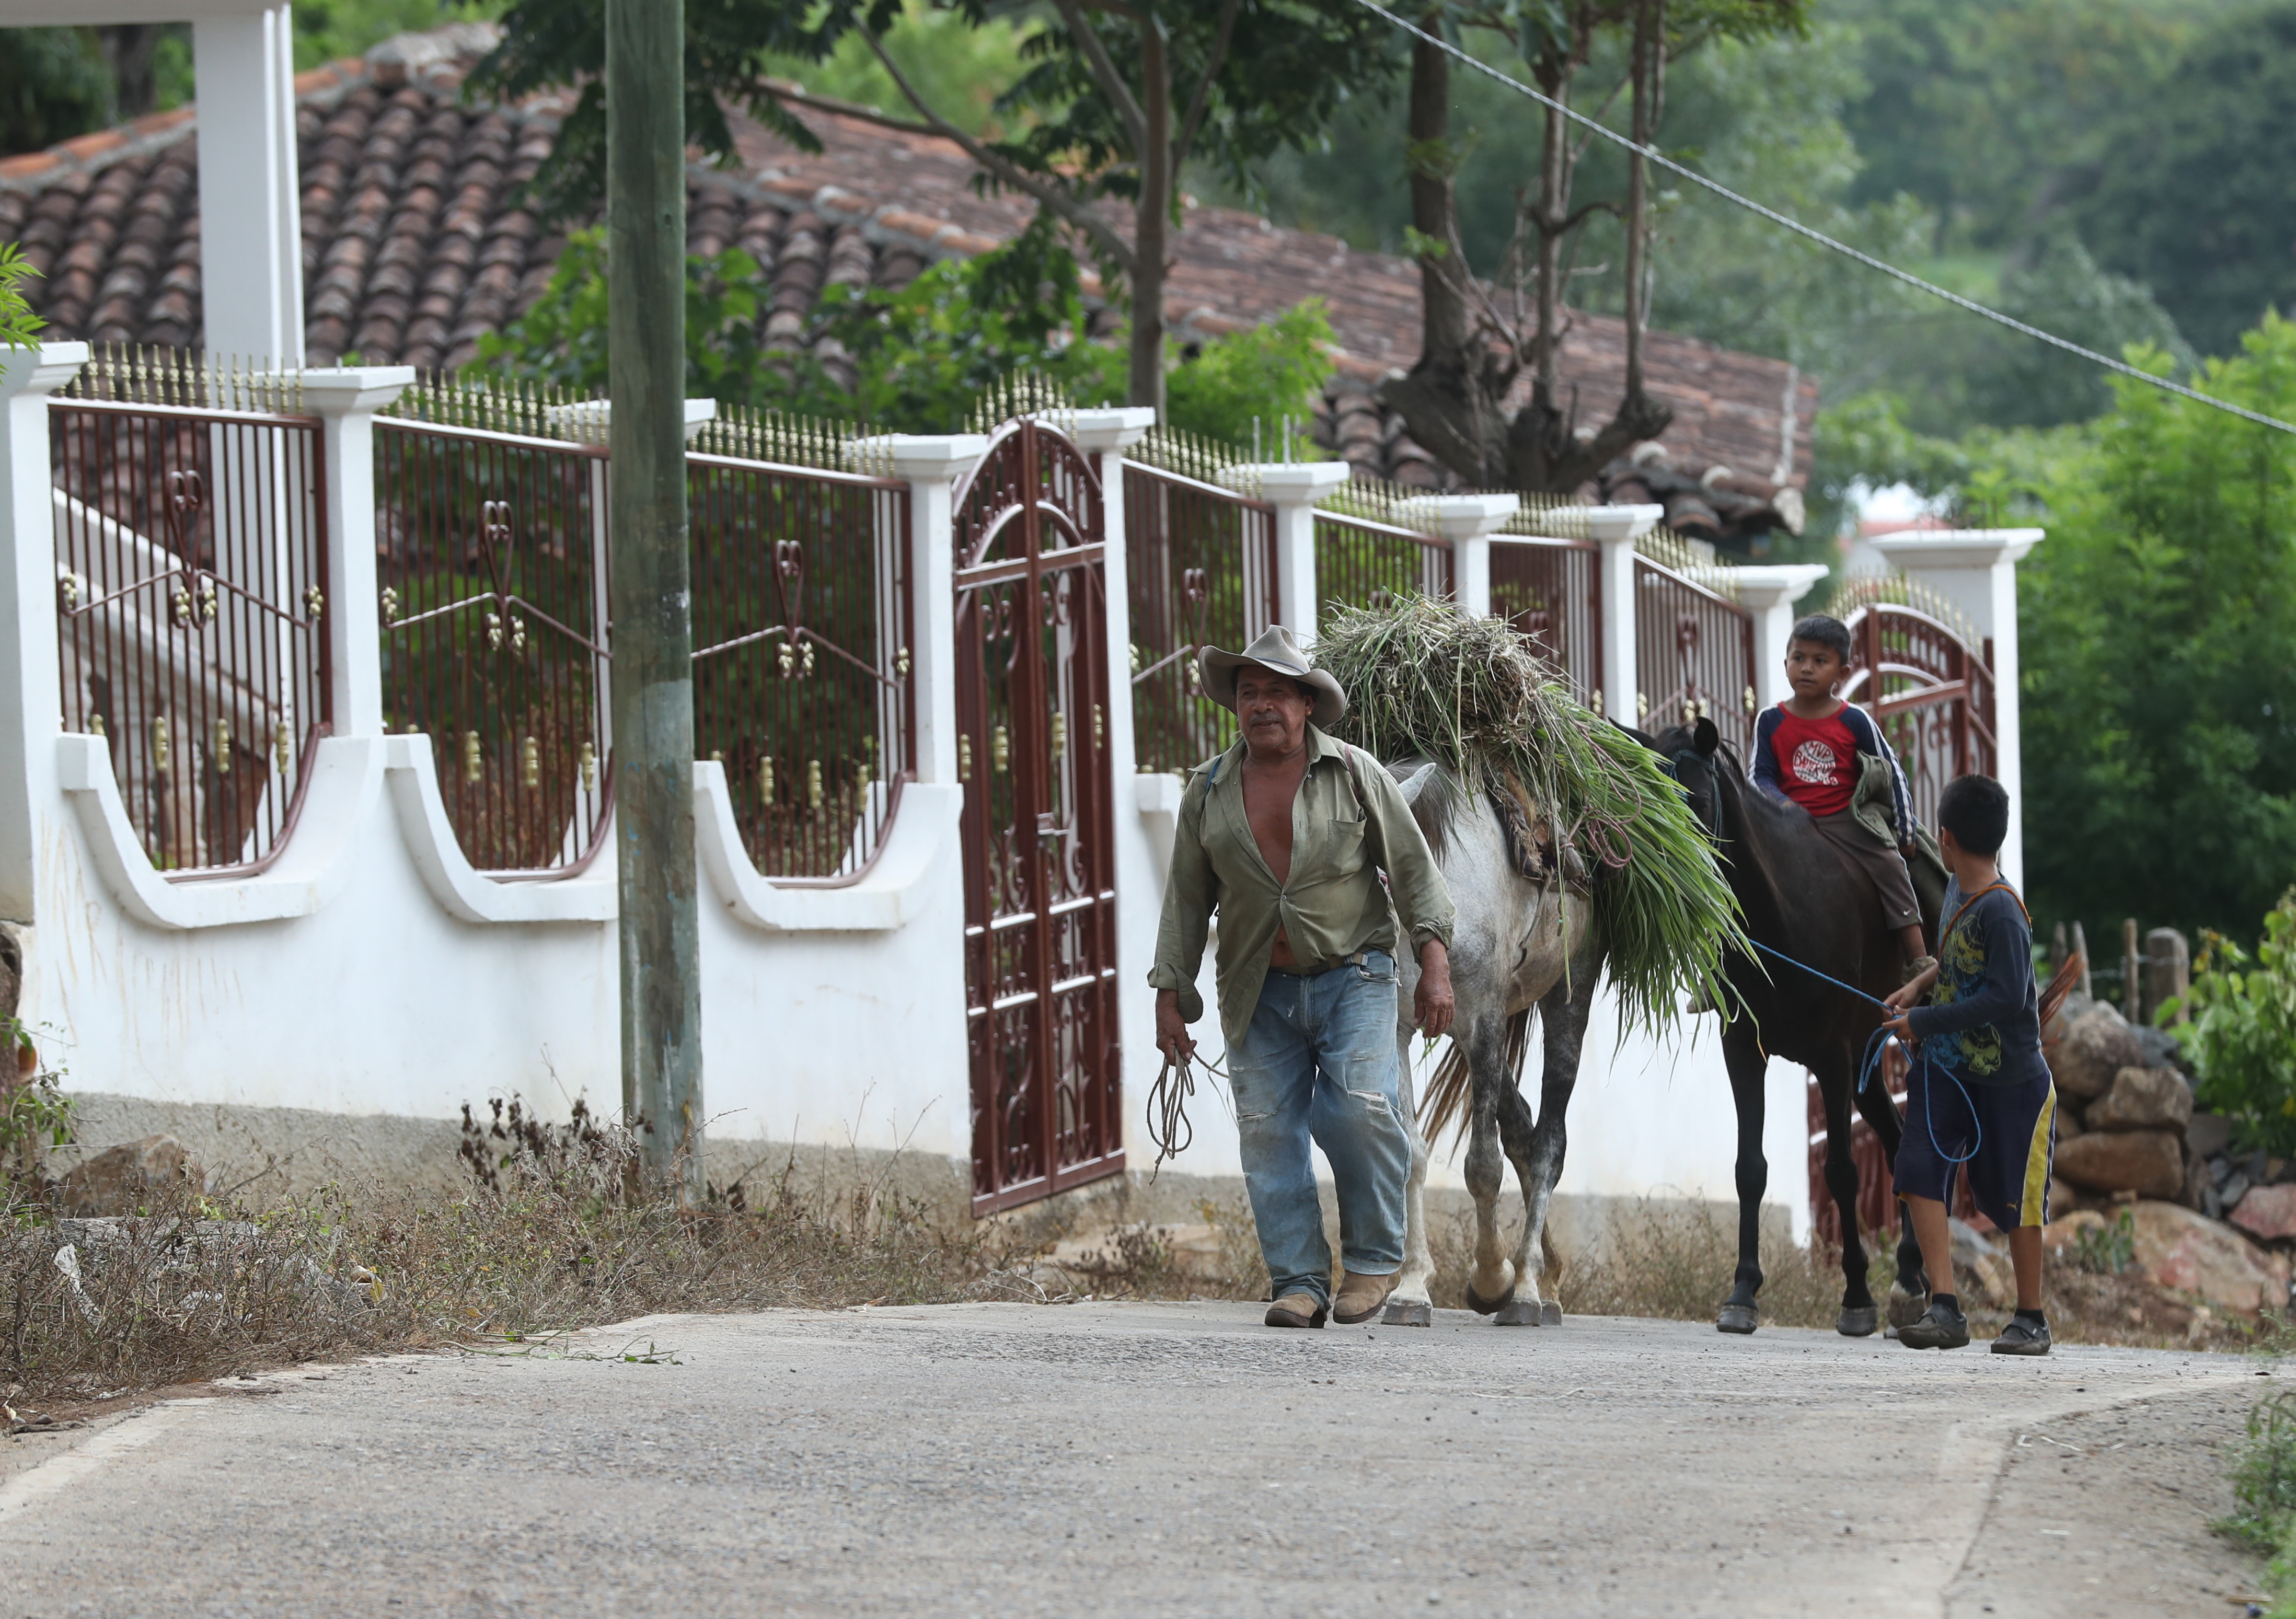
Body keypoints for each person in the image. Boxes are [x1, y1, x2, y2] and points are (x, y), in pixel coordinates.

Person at [1149, 625, 1457, 1329]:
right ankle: (1297, 1280)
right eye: (1249, 693)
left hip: (1356, 973)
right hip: (1257, 987)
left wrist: (1433, 965)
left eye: (1278, 694)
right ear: (1235, 705)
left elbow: (1414, 873)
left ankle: (1375, 1261)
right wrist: (1172, 996)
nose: (1262, 705)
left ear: (1307, 706)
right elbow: (1186, 902)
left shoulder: (1354, 772)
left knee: (1358, 1107)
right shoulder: (1209, 790)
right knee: (1266, 1130)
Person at [1881, 773, 2055, 1355]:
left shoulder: (2003, 911)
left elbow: (2006, 996)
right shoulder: (1957, 888)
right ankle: (1945, 1307)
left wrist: (1925, 1022)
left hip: (2010, 1081)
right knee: (1917, 1169)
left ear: (1946, 837)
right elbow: (1956, 960)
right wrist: (1919, 988)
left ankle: (2030, 1317)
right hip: (1947, 1069)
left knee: (2016, 1198)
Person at [1752, 612, 1934, 981]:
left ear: (1842, 673)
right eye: (1798, 658)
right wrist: (1781, 804)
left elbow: (1892, 771)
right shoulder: (1769, 720)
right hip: (1789, 825)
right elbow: (1759, 776)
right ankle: (1720, 968)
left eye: (1820, 661)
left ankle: (1917, 960)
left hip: (1847, 820)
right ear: (1785, 662)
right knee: (1745, 873)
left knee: (1890, 867)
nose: (1806, 668)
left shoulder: (1855, 720)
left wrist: (1904, 833)